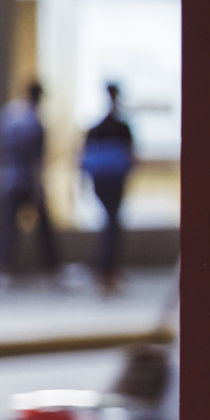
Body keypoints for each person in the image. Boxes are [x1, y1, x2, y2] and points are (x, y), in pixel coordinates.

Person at [0, 80, 61, 292]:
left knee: (7, 227)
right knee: (43, 228)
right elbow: (35, 160)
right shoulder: (35, 122)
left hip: (7, 177)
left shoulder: (8, 115)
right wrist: (40, 187)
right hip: (26, 180)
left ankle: (1, 270)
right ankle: (51, 268)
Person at [81, 82, 138, 294]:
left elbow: (83, 157)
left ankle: (106, 269)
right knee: (112, 224)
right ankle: (107, 269)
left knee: (110, 223)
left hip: (101, 180)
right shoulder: (122, 127)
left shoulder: (97, 127)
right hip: (115, 180)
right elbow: (132, 156)